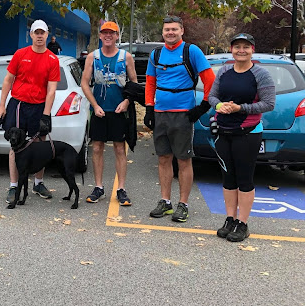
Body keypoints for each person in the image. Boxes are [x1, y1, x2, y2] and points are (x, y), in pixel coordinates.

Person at [144, 15, 215, 222]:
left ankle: (183, 204)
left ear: (182, 31)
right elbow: (150, 82)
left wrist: (203, 106)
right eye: (167, 29)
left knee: (183, 159)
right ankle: (165, 201)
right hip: (160, 113)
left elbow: (210, 80)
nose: (170, 33)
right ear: (162, 32)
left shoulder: (192, 51)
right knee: (163, 158)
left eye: (174, 29)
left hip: (183, 114)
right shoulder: (156, 54)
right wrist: (149, 108)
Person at [209, 33, 275, 241]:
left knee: (244, 178)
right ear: (232, 49)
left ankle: (242, 223)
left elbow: (269, 103)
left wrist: (240, 108)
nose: (241, 50)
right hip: (223, 131)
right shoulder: (224, 71)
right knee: (228, 178)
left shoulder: (260, 74)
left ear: (252, 50)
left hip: (247, 133)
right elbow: (212, 96)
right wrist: (220, 106)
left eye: (246, 47)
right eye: (237, 46)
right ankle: (230, 219)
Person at [0, 19, 61, 204]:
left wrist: (46, 115)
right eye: (36, 32)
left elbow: (51, 90)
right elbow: (8, 80)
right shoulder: (20, 54)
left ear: (47, 35)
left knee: (40, 145)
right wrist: (2, 105)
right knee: (15, 146)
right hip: (18, 105)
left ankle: (38, 183)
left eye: (42, 33)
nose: (39, 36)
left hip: (39, 106)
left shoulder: (52, 59)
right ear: (31, 35)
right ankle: (13, 186)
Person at [81, 21, 137, 206]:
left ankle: (121, 189)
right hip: (99, 110)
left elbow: (134, 84)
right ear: (100, 35)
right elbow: (84, 83)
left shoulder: (125, 57)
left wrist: (126, 102)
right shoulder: (93, 57)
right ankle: (98, 187)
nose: (108, 36)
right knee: (97, 147)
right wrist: (94, 105)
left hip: (118, 110)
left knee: (120, 148)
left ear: (117, 36)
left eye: (111, 33)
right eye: (105, 32)